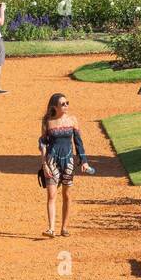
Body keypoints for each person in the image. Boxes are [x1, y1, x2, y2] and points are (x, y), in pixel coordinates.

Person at [38, 93, 95, 238]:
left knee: (67, 195)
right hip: (51, 161)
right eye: (63, 104)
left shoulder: (72, 120)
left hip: (68, 161)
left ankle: (64, 227)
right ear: (55, 107)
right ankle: (51, 229)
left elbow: (78, 142)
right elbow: (43, 143)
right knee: (51, 195)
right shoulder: (47, 122)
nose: (66, 106)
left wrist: (84, 161)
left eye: (67, 103)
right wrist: (44, 164)